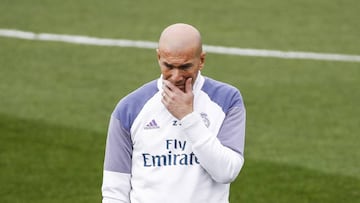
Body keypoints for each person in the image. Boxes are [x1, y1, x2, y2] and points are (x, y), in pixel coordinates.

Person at [102, 23, 246, 203]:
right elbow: (114, 191)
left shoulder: (227, 100)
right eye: (168, 66)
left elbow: (226, 172)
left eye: (185, 67)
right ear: (158, 57)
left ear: (201, 60)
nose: (176, 76)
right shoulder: (129, 108)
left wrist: (188, 117)